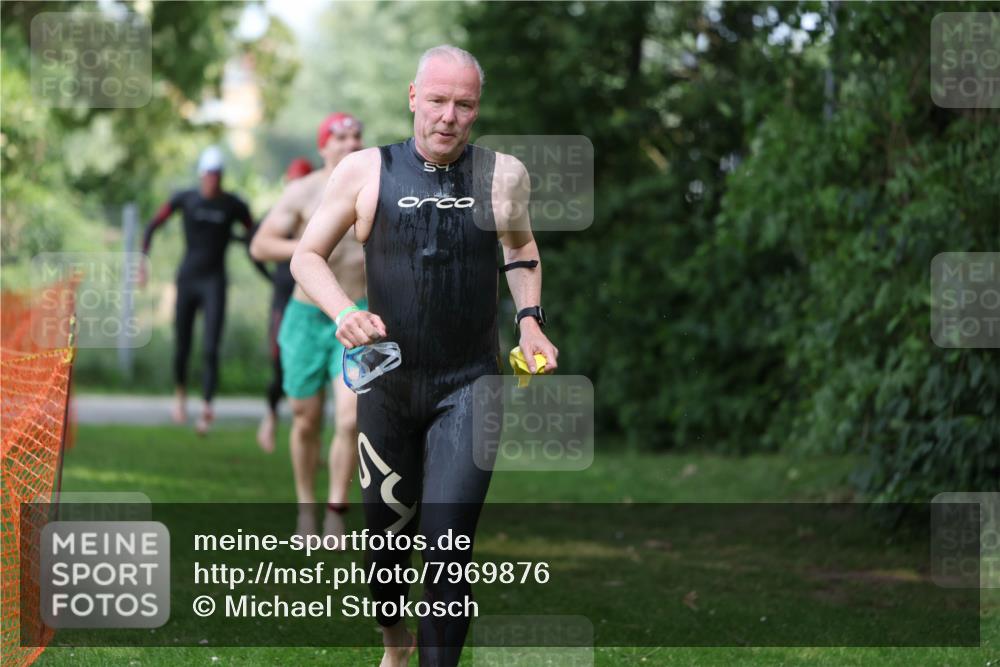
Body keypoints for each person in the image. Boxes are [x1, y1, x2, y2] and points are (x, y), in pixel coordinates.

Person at [290, 46, 558, 667]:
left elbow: (520, 248)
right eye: (437, 101)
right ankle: (396, 645)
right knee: (384, 552)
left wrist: (530, 323)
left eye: (463, 105)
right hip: (386, 385)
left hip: (471, 385)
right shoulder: (365, 171)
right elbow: (307, 256)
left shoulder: (504, 175)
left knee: (448, 545)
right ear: (413, 97)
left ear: (477, 109)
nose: (448, 117)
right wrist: (343, 313)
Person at [250, 114, 366, 539]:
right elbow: (261, 245)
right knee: (306, 419)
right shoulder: (303, 191)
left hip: (356, 311)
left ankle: (336, 508)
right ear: (323, 146)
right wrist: (311, 246)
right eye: (340, 137)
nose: (351, 142)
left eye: (356, 135)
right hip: (305, 316)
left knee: (351, 415)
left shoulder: (377, 185)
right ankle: (305, 508)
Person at [141, 146, 269, 435]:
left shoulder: (234, 205)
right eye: (209, 175)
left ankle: (207, 407)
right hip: (187, 279)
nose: (213, 180)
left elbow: (255, 236)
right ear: (201, 175)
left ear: (222, 177)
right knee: (182, 346)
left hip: (215, 282)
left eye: (217, 175)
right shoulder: (185, 199)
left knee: (211, 347)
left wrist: (266, 269)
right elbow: (153, 225)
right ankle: (181, 396)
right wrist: (142, 261)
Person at [255, 157, 315, 453]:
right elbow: (255, 247)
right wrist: (270, 278)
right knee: (279, 364)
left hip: (312, 302)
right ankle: (270, 417)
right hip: (284, 299)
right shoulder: (278, 215)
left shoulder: (320, 214)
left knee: (319, 377)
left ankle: (308, 437)